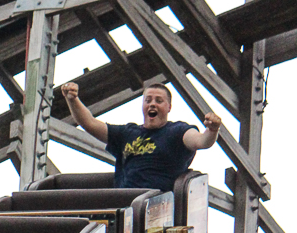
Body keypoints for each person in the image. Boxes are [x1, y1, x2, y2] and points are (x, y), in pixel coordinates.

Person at [61, 81, 222, 192]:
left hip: (156, 204)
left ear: (169, 107)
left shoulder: (177, 131)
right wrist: (72, 100)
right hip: (123, 204)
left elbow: (201, 141)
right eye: (148, 100)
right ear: (143, 106)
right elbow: (89, 123)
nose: (152, 104)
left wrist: (212, 130)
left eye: (159, 101)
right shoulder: (127, 133)